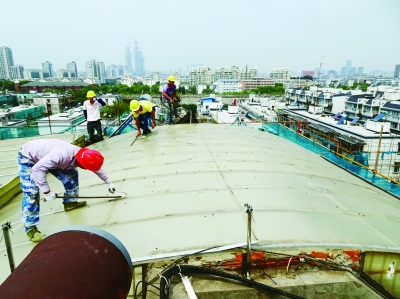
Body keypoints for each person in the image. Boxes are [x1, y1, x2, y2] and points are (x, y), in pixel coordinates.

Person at [17, 139, 117, 242]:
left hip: (48, 157)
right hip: (28, 157)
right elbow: (37, 170)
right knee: (31, 192)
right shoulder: (60, 155)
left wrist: (108, 182)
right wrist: (46, 192)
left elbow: (94, 166)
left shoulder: (85, 154)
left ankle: (70, 203)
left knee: (71, 175)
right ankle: (30, 228)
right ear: (81, 163)